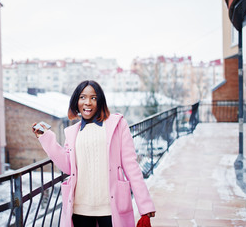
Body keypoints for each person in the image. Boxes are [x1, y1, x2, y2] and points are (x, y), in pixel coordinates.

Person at [32, 80, 155, 227]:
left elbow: (131, 166)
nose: (87, 102)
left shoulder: (118, 124)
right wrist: (46, 138)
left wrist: (145, 205)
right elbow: (68, 166)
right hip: (79, 208)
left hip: (111, 207)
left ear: (100, 101)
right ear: (76, 101)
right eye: (82, 97)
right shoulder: (72, 132)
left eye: (93, 98)